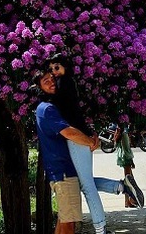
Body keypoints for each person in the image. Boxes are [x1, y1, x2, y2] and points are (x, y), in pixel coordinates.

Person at [47, 55, 141, 234]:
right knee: (82, 183)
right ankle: (121, 187)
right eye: (51, 69)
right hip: (79, 137)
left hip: (76, 139)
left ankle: (101, 229)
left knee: (87, 187)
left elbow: (66, 116)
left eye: (57, 67)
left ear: (65, 67)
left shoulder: (62, 84)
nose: (54, 72)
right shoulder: (69, 84)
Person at [35, 71, 92, 234]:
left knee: (64, 220)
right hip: (63, 173)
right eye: (46, 81)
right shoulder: (47, 109)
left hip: (61, 172)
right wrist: (90, 142)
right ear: (39, 87)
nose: (52, 82)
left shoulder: (46, 108)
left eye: (53, 79)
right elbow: (69, 133)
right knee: (69, 223)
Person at [114, 124, 144, 207]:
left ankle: (128, 201)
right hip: (126, 159)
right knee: (129, 181)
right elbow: (127, 150)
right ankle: (129, 200)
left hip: (124, 158)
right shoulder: (124, 135)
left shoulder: (120, 134)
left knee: (128, 181)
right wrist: (131, 161)